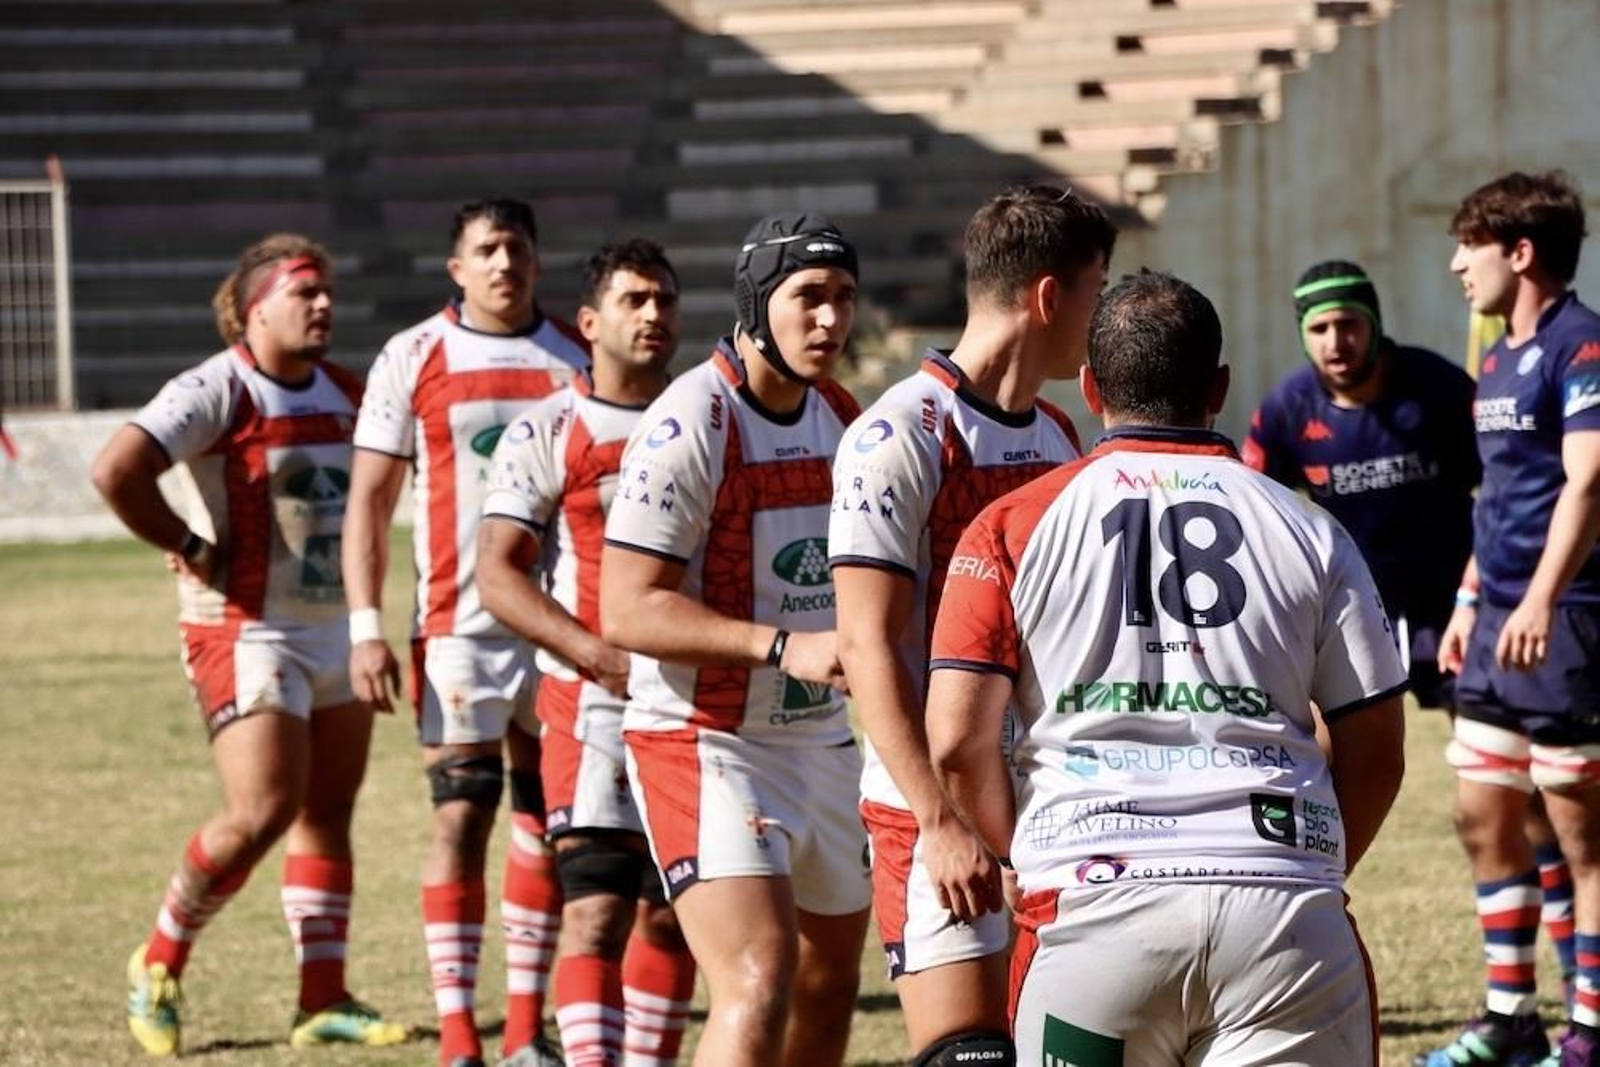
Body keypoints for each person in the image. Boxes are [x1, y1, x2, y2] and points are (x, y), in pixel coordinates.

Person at [926, 270, 1408, 1066]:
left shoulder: (1009, 525)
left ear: (1089, 386)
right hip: (1284, 917)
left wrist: (1024, 854)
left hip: (1091, 912)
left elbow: (954, 739)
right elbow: (1378, 747)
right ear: (1219, 386)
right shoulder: (1312, 529)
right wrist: (1304, 862)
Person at [93, 235, 406, 1056]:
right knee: (262, 809)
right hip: (244, 627)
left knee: (327, 811)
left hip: (336, 625)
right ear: (257, 306)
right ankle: (158, 958)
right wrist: (190, 543)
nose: (324, 305)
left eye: (329, 290)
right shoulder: (213, 388)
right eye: (306, 291)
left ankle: (322, 997)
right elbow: (116, 469)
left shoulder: (350, 391)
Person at [828, 184, 1115, 1066]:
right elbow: (867, 642)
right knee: (969, 1057)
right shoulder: (898, 437)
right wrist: (940, 818)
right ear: (1047, 296)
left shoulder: (1064, 438)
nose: (1101, 319)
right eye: (1097, 291)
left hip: (1053, 800)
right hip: (930, 809)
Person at [599, 213, 870, 1067]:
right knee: (759, 973)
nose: (830, 320)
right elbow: (627, 609)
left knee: (831, 983)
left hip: (822, 738)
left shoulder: (840, 413)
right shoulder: (691, 422)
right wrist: (785, 646)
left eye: (845, 299)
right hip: (704, 740)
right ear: (757, 305)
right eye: (809, 298)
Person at [341, 199, 587, 1067]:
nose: (503, 262)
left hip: (558, 627)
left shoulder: (575, 356)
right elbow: (368, 502)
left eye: (517, 246)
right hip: (456, 630)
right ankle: (457, 1037)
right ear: (457, 267)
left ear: (536, 260)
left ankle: (524, 1029)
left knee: (545, 824)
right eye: (485, 249)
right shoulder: (413, 354)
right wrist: (366, 626)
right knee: (460, 816)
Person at [478, 239, 697, 1065]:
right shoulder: (549, 427)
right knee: (595, 909)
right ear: (588, 321)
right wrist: (592, 654)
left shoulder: (704, 413)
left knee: (673, 910)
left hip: (690, 700)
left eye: (665, 300)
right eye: (635, 300)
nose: (653, 314)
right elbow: (497, 573)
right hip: (591, 703)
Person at [1420, 170, 1600, 1067]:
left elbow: (1589, 482)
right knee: (1484, 815)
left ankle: (1592, 1030)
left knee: (1580, 836)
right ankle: (1510, 1017)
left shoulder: (1584, 347)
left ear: (1519, 252)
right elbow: (1499, 496)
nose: (1457, 264)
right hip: (1492, 626)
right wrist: (1467, 601)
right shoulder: (1495, 356)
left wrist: (1537, 596)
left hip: (1564, 620)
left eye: (1470, 245)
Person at [1243, 259, 1480, 711]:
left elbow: (1503, 484)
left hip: (1452, 596)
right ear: (1303, 335)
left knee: (1487, 738)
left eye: (1348, 324)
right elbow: (1251, 512)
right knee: (1333, 745)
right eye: (1320, 328)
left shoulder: (1438, 386)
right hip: (1352, 601)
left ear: (1374, 323)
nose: (1335, 342)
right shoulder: (1285, 409)